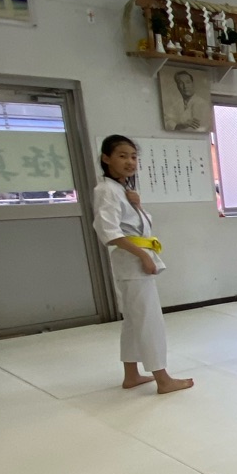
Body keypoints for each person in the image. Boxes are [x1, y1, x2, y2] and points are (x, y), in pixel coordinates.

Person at [91, 134, 193, 394]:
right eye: (122, 156)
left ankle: (131, 374)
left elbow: (135, 224)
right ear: (106, 158)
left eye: (134, 157)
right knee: (149, 320)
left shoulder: (121, 189)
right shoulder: (106, 190)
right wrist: (144, 256)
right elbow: (109, 232)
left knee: (133, 320)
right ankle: (163, 379)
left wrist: (137, 204)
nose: (130, 162)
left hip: (132, 261)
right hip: (132, 262)